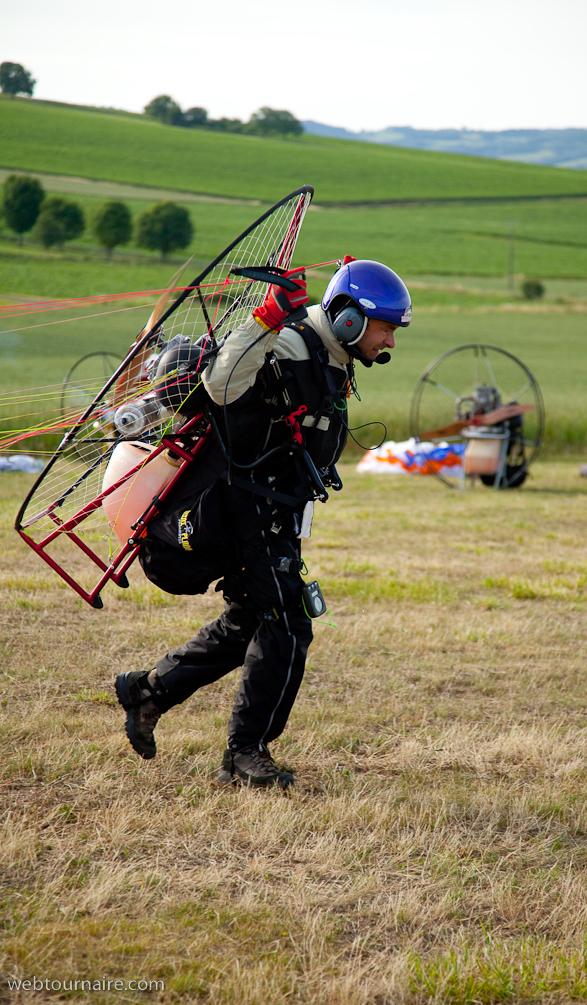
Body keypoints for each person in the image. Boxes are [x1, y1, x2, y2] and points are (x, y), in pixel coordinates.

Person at [114, 258, 412, 787]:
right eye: (386, 327)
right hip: (239, 506)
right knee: (287, 621)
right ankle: (244, 755)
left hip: (270, 509)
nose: (391, 341)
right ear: (350, 319)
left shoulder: (332, 355)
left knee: (251, 619)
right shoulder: (293, 343)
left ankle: (148, 692)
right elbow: (223, 385)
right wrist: (266, 317)